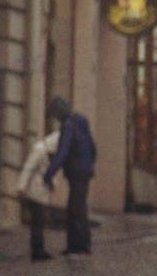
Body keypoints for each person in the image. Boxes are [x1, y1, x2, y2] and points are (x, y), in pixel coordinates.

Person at [43, 97, 97, 257]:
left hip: (76, 171)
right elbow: (92, 146)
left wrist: (49, 173)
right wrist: (91, 163)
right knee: (79, 207)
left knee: (75, 208)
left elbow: (63, 152)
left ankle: (78, 245)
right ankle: (80, 244)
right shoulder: (81, 121)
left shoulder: (68, 126)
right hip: (85, 171)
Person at [17, 125, 61, 262]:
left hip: (42, 191)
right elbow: (28, 168)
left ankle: (39, 248)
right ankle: (37, 250)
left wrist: (53, 184)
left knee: (40, 221)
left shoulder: (50, 153)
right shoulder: (39, 149)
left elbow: (50, 171)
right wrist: (21, 187)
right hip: (35, 191)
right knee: (38, 221)